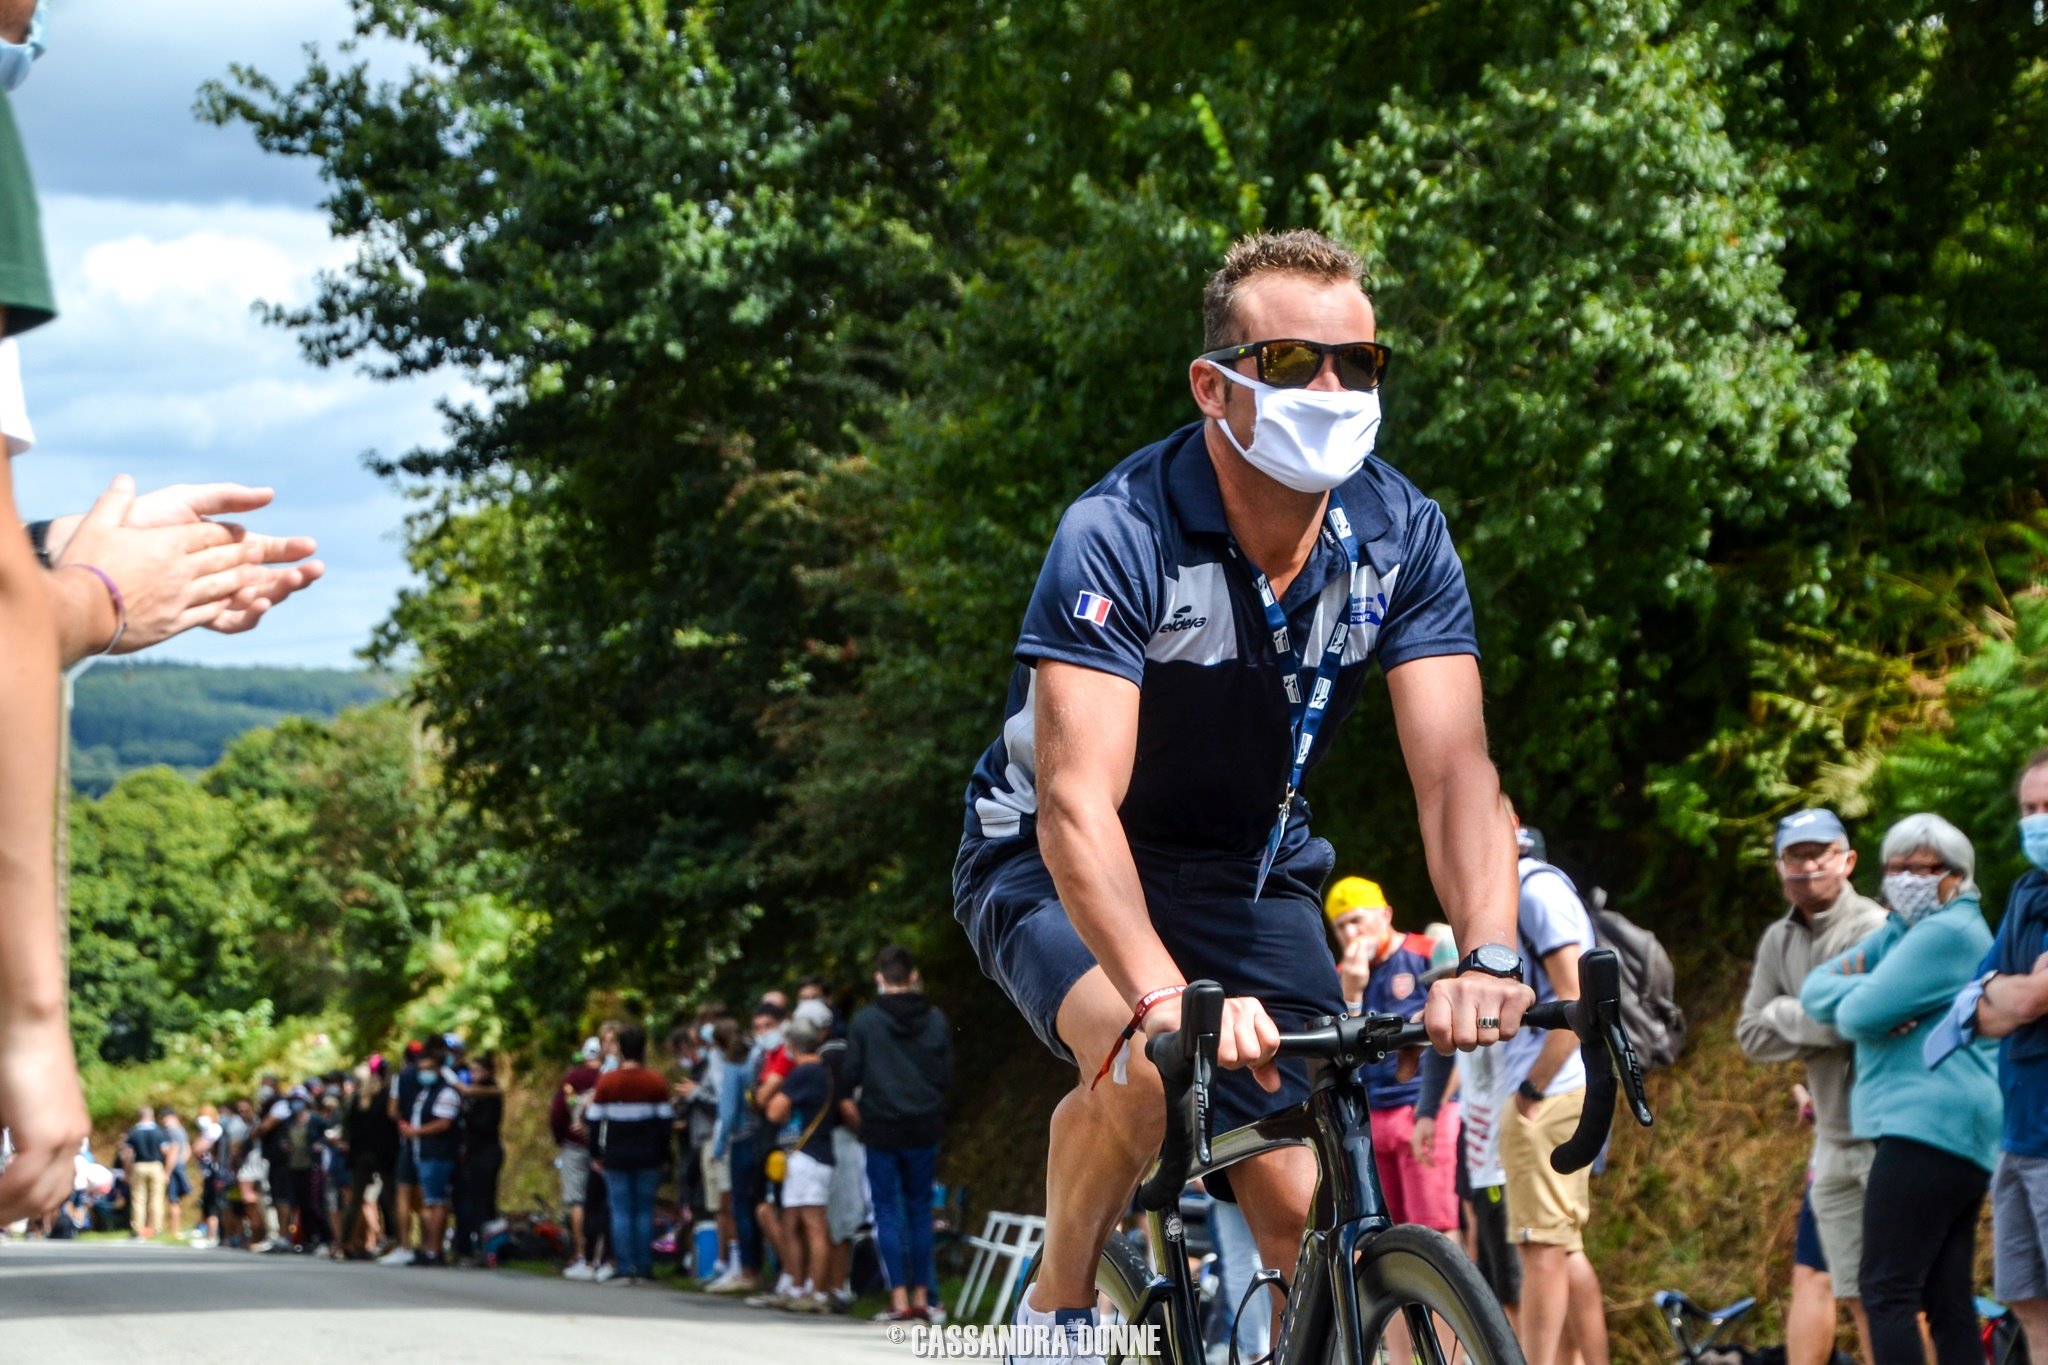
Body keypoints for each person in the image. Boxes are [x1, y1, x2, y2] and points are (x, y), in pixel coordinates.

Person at [952, 228, 1532, 1365]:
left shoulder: (1398, 534)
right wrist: (1164, 997)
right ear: (1212, 387)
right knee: (1142, 1067)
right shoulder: (1118, 531)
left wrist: (1492, 951)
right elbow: (1076, 805)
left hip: (1252, 868)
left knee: (1307, 1208)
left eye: (1356, 365)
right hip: (1053, 856)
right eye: (1289, 363)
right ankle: (1057, 1309)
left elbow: (1456, 769)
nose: (1331, 389)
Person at [1802, 813, 2000, 1365]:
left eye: (1920, 868)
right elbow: (1816, 988)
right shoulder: (1902, 932)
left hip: (1928, 1127)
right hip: (1950, 1133)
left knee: (1886, 1288)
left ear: (1954, 875)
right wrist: (1885, 995)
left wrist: (1877, 999)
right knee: (1946, 1299)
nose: (1904, 878)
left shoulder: (1949, 931)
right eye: (1895, 867)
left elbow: (1859, 1015)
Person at [1736, 807, 1886, 1364]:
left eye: (1818, 853)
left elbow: (1857, 1019)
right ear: (1780, 867)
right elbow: (1750, 1035)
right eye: (1795, 855)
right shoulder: (1780, 938)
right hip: (1831, 1138)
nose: (1806, 865)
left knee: (1894, 1295)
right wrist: (1815, 1023)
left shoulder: (1873, 928)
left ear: (1847, 861)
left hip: (1884, 1132)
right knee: (1852, 1294)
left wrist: (1784, 1012)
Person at [1928, 749, 2048, 1362]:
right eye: (2029, 808)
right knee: (2025, 1297)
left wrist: (2008, 994)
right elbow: (1976, 1006)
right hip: (2020, 1132)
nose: (2037, 821)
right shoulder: (2029, 892)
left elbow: (2024, 1000)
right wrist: (2011, 992)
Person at [1501, 815, 1609, 1365]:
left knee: (1540, 1246)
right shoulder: (1533, 887)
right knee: (1561, 1247)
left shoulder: (1532, 890)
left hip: (1550, 1091)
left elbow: (1573, 998)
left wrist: (1529, 1089)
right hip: (1556, 1089)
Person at [1327, 876, 1459, 1237]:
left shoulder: (1426, 952)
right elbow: (1341, 1055)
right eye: (1340, 926)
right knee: (1390, 1234)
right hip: (1373, 1116)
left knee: (1434, 1228)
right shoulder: (1343, 975)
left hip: (1423, 1107)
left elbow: (1457, 1037)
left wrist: (1433, 1108)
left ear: (1385, 914)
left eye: (1357, 920)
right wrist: (1351, 989)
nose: (1350, 933)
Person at [844, 943, 954, 1324]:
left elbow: (849, 1077)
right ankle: (926, 1298)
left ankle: (899, 1299)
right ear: (914, 977)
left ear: (879, 978)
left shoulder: (865, 1022)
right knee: (921, 1211)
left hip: (880, 1128)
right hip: (923, 1125)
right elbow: (945, 1076)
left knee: (886, 1213)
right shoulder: (937, 1019)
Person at [761, 1016, 838, 1313]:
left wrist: (778, 1109)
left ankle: (816, 1292)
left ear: (791, 1045)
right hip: (812, 1156)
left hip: (808, 1156)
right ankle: (798, 1285)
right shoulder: (823, 1072)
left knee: (811, 1223)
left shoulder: (803, 1073)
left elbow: (775, 1110)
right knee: (793, 1220)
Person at [586, 1023, 671, 1286]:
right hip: (648, 1156)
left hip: (616, 1155)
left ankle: (624, 1267)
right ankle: (644, 1268)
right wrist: (665, 1155)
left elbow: (595, 1120)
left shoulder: (608, 1082)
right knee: (644, 1211)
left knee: (620, 1210)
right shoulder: (655, 1081)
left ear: (621, 1049)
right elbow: (664, 1123)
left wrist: (596, 1153)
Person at [398, 1044, 463, 1267]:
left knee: (436, 1202)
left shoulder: (446, 1092)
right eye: (421, 1068)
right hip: (423, 1153)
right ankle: (428, 1248)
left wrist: (416, 1131)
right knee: (429, 1202)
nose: (424, 1072)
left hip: (438, 1154)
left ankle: (434, 1250)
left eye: (429, 1068)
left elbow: (444, 1123)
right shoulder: (426, 1092)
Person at [704, 1019, 756, 1293]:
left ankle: (745, 1268)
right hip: (760, 1136)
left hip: (741, 1139)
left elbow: (727, 1113)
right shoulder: (755, 1059)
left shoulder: (733, 1068)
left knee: (740, 1207)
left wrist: (718, 1146)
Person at [551, 1037, 603, 1280]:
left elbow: (558, 1112)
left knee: (577, 1201)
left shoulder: (573, 1078)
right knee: (601, 1202)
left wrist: (561, 1137)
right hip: (602, 1146)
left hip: (574, 1145)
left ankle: (582, 1254)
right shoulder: (608, 1076)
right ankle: (601, 1255)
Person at [457, 1052, 504, 1260]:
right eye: (472, 1071)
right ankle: (473, 1244)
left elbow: (485, 1125)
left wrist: (466, 1115)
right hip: (474, 1153)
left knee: (484, 1201)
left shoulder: (489, 1093)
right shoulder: (475, 1095)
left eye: (478, 1070)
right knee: (473, 1200)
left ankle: (487, 1247)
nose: (474, 1074)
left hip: (486, 1152)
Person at [121, 1106, 167, 1241]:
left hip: (139, 1165)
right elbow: (166, 1150)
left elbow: (128, 1154)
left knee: (139, 1199)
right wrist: (167, 1170)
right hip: (156, 1165)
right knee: (157, 1199)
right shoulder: (159, 1131)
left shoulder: (133, 1132)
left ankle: (138, 1229)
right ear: (151, 1116)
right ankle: (156, 1228)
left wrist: (126, 1171)